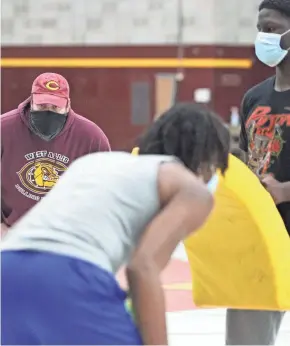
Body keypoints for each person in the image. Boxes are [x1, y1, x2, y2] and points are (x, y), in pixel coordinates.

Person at [1, 103, 230, 345]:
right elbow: (142, 266)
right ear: (208, 160)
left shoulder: (97, 164)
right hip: (69, 272)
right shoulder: (192, 189)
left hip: (9, 268)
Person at [226, 0, 290, 344]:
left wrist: (285, 191)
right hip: (261, 235)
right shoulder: (254, 97)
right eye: (260, 29)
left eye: (273, 29)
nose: (264, 37)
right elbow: (251, 160)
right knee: (245, 338)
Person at [1, 72, 110, 236]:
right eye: (42, 106)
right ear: (32, 101)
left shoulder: (92, 138)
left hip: (68, 238)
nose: (48, 112)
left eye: (55, 107)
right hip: (11, 235)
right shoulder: (4, 129)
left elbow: (104, 191)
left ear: (67, 105)